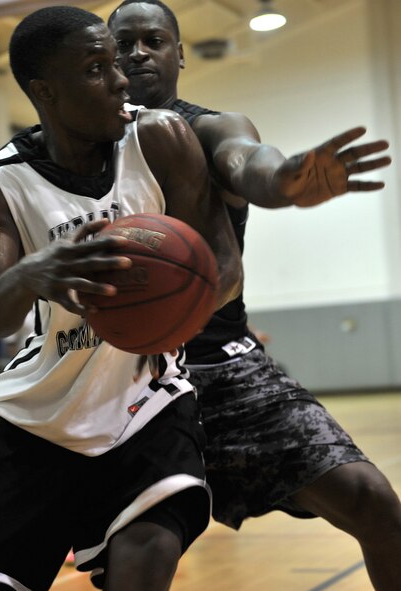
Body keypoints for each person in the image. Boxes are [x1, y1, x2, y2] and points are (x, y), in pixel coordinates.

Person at [0, 6, 243, 591]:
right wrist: (32, 273)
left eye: (115, 63)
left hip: (150, 403)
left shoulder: (158, 138)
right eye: (96, 67)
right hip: (37, 410)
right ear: (45, 91)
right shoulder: (0, 184)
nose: (120, 79)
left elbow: (226, 266)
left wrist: (169, 307)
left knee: (148, 553)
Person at [107, 1, 401, 589]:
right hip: (121, 377)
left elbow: (248, 162)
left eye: (154, 40)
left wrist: (284, 180)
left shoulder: (212, 126)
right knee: (142, 556)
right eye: (124, 43)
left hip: (223, 364)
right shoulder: (84, 152)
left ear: (180, 54)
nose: (138, 52)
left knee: (373, 500)